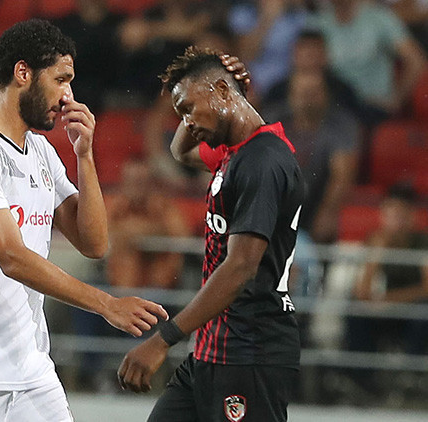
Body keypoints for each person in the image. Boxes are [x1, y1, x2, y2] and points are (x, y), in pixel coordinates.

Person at [0, 19, 168, 422]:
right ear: (23, 73)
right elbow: (11, 257)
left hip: (30, 368)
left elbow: (94, 243)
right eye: (60, 80)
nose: (68, 96)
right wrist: (106, 304)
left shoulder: (42, 151)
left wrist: (85, 155)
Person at [118, 47, 303, 422]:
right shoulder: (234, 154)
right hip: (213, 348)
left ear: (220, 91)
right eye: (180, 114)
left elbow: (241, 267)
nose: (186, 122)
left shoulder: (262, 162)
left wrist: (163, 339)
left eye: (188, 108)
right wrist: (217, 88)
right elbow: (179, 151)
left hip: (251, 351)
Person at [264, 69, 359, 296]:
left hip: (317, 205)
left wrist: (328, 211)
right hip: (278, 207)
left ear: (325, 95)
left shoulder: (340, 125)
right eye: (301, 92)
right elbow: (260, 165)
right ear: (291, 95)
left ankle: (313, 304)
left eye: (313, 92)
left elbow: (342, 173)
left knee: (328, 233)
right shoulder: (274, 118)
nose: (307, 98)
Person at [346, 184, 428, 393]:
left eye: (401, 214)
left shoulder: (422, 242)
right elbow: (361, 292)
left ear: (412, 215)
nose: (395, 220)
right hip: (383, 310)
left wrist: (389, 300)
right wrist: (376, 256)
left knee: (424, 311)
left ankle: (410, 377)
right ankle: (362, 380)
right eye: (390, 214)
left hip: (411, 311)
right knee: (355, 311)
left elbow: (426, 288)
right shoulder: (375, 240)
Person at [311, 0, 426, 119]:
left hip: (373, 107)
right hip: (335, 107)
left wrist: (397, 98)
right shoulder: (317, 22)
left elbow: (416, 60)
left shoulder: (379, 18)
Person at [107, 159, 188, 289]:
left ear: (151, 183)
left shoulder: (164, 207)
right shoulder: (116, 207)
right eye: (131, 181)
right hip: (119, 285)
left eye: (140, 181)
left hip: (159, 285)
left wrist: (138, 231)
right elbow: (102, 235)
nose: (136, 187)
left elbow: (183, 238)